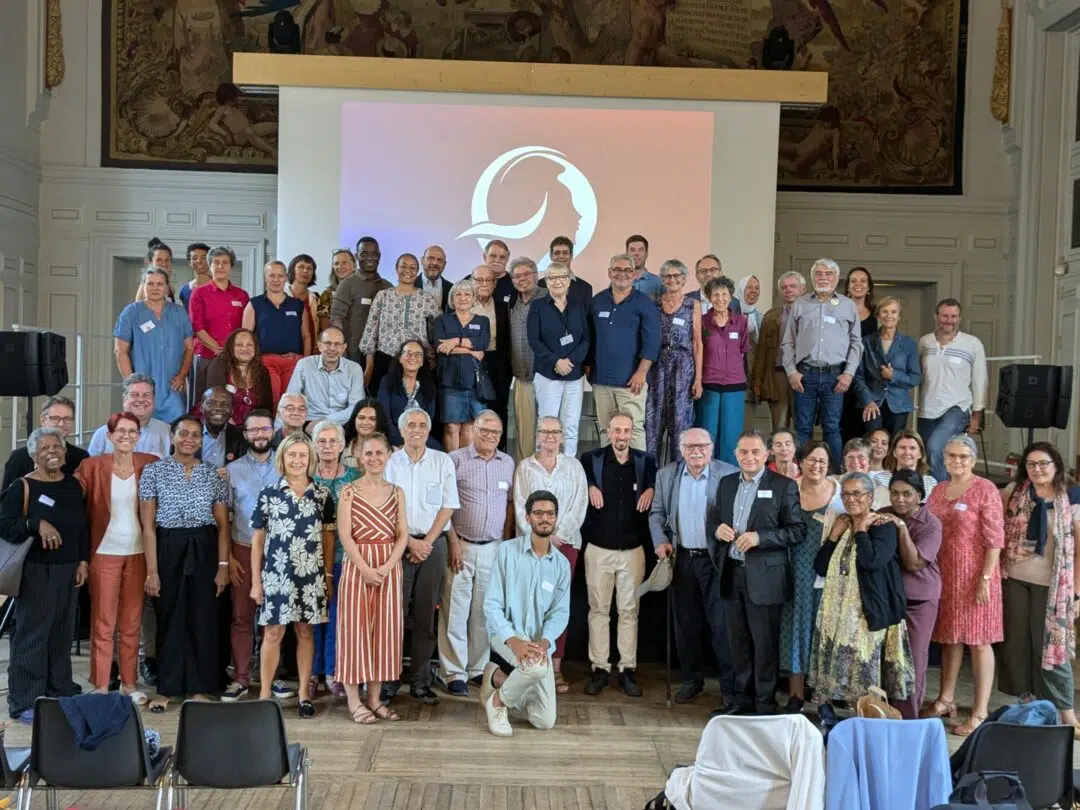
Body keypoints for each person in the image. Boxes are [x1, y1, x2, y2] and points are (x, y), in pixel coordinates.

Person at [706, 429, 805, 716]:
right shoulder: (726, 484)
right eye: (743, 452)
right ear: (735, 454)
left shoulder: (784, 486)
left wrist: (761, 538)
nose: (749, 457)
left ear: (766, 454)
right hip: (732, 574)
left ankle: (764, 704)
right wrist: (717, 529)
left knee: (764, 645)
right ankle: (741, 701)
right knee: (737, 644)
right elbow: (714, 520)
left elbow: (797, 530)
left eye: (755, 452)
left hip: (766, 579)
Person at [138, 415, 230, 711]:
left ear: (201, 440)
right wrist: (152, 571)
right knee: (170, 616)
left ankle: (200, 687)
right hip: (168, 546)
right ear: (172, 437)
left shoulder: (212, 474)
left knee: (203, 617)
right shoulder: (154, 471)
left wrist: (223, 566)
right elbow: (148, 527)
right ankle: (167, 688)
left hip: (204, 546)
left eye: (195, 435)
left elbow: (223, 525)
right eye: (183, 434)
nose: (189, 439)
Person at [0, 427, 88, 723]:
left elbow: (82, 527)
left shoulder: (73, 485)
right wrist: (35, 523)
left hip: (68, 569)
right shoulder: (22, 486)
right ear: (34, 455)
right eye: (45, 448)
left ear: (65, 452)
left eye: (57, 447)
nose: (52, 452)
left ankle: (59, 690)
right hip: (36, 570)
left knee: (61, 634)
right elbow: (5, 525)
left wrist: (83, 561)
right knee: (32, 634)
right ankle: (25, 700)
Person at [809, 472, 913, 708]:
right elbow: (821, 567)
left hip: (866, 614)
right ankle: (828, 716)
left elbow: (872, 561)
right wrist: (833, 536)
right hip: (836, 614)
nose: (851, 499)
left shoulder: (882, 526)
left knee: (864, 675)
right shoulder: (843, 523)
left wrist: (862, 531)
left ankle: (865, 718)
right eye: (846, 494)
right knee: (832, 675)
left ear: (871, 497)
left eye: (857, 493)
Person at [923, 434, 1004, 736]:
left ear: (973, 460)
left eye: (964, 456)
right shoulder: (939, 489)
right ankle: (946, 699)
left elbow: (995, 540)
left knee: (979, 641)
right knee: (950, 638)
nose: (957, 461)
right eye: (952, 456)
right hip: (945, 576)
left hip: (976, 577)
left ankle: (980, 712)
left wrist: (985, 579)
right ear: (944, 458)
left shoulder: (985, 489)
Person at [649, 428, 737, 704]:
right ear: (681, 449)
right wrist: (660, 541)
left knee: (722, 626)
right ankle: (691, 680)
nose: (696, 451)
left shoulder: (729, 474)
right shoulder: (666, 475)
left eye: (702, 446)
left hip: (717, 560)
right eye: (690, 446)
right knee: (686, 624)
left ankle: (730, 687)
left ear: (712, 447)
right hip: (682, 558)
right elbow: (657, 513)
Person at [250, 433, 335, 718]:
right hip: (277, 574)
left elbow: (328, 538)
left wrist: (328, 576)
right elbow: (258, 541)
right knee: (273, 632)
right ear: (282, 458)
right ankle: (264, 696)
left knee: (305, 631)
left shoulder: (322, 495)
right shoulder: (269, 493)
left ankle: (303, 695)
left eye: (302, 455)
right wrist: (256, 582)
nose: (297, 460)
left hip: (311, 575)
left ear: (310, 459)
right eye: (292, 455)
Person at [998, 442, 1080, 732]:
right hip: (1015, 581)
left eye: (1044, 463)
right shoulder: (1013, 493)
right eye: (1031, 464)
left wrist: (1077, 593)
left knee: (1052, 647)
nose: (1037, 469)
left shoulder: (1071, 499)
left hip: (1054, 588)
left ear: (1056, 466)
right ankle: (1030, 705)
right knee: (1018, 646)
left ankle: (1066, 712)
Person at [76, 412, 156, 701]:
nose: (126, 436)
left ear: (139, 436)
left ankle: (129, 683)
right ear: (109, 436)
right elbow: (71, 501)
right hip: (104, 552)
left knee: (132, 623)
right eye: (120, 431)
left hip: (138, 552)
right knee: (103, 622)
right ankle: (100, 685)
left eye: (132, 431)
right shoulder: (91, 466)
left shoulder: (150, 463)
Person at [480, 490, 571, 737]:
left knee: (544, 720)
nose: (545, 519)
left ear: (556, 518)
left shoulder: (561, 565)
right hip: (505, 635)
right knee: (537, 668)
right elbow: (492, 604)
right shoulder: (507, 552)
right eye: (538, 513)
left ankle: (497, 679)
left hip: (539, 642)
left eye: (550, 514)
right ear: (527, 517)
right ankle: (497, 704)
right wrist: (515, 642)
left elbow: (560, 613)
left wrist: (544, 643)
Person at [385, 409, 460, 704]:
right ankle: (388, 681)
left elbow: (448, 506)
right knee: (394, 616)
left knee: (426, 615)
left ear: (428, 431)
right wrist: (409, 543)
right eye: (410, 425)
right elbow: (386, 507)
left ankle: (419, 680)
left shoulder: (442, 462)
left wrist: (426, 543)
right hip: (397, 546)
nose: (416, 429)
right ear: (402, 431)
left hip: (433, 545)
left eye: (421, 425)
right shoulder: (390, 463)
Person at [580, 412, 657, 697]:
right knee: (598, 610)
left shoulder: (646, 461)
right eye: (617, 430)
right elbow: (579, 486)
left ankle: (627, 669)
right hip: (598, 548)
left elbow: (656, 490)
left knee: (629, 612)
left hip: (633, 550)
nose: (622, 436)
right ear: (608, 431)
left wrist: (651, 488)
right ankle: (599, 668)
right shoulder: (590, 459)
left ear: (632, 432)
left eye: (626, 430)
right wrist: (589, 486)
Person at [439, 411, 515, 696]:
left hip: (493, 547)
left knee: (484, 612)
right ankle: (453, 672)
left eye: (495, 432)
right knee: (455, 611)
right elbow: (444, 504)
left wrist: (505, 541)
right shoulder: (455, 460)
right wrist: (453, 541)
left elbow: (509, 505)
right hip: (461, 545)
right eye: (484, 431)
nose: (490, 436)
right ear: (473, 431)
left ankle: (477, 668)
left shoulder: (507, 463)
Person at [336, 432, 408, 724]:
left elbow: (402, 535)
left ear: (389, 455)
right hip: (358, 567)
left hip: (388, 567)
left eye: (379, 453)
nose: (374, 458)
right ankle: (354, 700)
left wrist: (388, 566)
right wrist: (365, 568)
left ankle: (375, 699)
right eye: (369, 453)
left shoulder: (397, 492)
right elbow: (345, 534)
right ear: (359, 456)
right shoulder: (348, 491)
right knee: (355, 631)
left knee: (384, 632)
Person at [512, 417, 588, 693]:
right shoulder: (525, 467)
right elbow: (520, 507)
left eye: (555, 431)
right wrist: (541, 535)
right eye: (545, 431)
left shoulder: (574, 467)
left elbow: (579, 505)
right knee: (529, 605)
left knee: (558, 607)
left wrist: (557, 536)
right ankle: (530, 666)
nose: (550, 436)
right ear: (537, 435)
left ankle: (555, 668)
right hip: (532, 546)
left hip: (566, 546)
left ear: (563, 436)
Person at [220, 409, 281, 703]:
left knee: (275, 617)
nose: (259, 435)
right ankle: (241, 677)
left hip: (280, 551)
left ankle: (272, 676)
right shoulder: (231, 471)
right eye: (253, 430)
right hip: (243, 548)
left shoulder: (287, 464)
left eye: (264, 429)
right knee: (242, 615)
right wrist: (229, 557)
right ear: (245, 435)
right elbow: (225, 517)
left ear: (273, 431)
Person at [781, 258, 862, 471]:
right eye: (818, 274)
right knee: (802, 428)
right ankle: (800, 473)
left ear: (836, 278)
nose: (823, 277)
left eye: (828, 273)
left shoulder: (848, 305)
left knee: (832, 428)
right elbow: (788, 341)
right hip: (804, 375)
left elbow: (856, 343)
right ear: (812, 278)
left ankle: (833, 475)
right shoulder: (800, 304)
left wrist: (849, 374)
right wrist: (791, 372)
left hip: (835, 376)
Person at [779, 441, 839, 712]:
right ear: (801, 462)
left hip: (826, 577)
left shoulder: (838, 493)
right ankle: (796, 696)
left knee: (823, 634)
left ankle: (824, 699)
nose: (817, 465)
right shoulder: (787, 489)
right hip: (792, 574)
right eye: (811, 460)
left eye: (822, 461)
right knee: (795, 632)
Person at [878, 469, 943, 719]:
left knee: (913, 660)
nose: (900, 499)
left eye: (907, 494)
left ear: (919, 496)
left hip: (919, 598)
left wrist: (902, 528)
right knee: (886, 660)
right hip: (888, 598)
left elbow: (914, 563)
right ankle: (883, 715)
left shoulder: (931, 524)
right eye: (894, 493)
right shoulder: (883, 514)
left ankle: (907, 720)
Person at [586, 253, 661, 451]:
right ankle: (608, 468)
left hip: (631, 381)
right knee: (606, 429)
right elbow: (589, 337)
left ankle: (637, 470)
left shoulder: (644, 303)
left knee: (633, 430)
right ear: (609, 273)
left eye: (627, 270)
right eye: (617, 269)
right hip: (601, 380)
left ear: (634, 274)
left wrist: (642, 372)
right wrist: (588, 367)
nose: (622, 274)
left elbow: (652, 341)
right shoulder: (597, 301)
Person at [310, 419, 360, 699]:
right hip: (309, 559)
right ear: (314, 446)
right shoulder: (305, 477)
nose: (327, 447)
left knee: (337, 617)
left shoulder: (354, 477)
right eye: (322, 441)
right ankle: (311, 674)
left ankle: (333, 672)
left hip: (344, 557)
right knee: (311, 619)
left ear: (342, 446)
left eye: (333, 441)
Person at [918, 298, 988, 482]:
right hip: (926, 409)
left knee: (935, 447)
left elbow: (980, 380)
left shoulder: (972, 344)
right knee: (928, 455)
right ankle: (944, 490)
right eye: (944, 316)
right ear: (936, 317)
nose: (949, 320)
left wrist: (977, 413)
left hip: (957, 408)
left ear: (959, 318)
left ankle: (941, 494)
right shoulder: (925, 342)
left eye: (954, 316)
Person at [114, 266, 193, 423]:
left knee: (176, 430)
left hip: (172, 389)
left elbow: (189, 348)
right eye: (150, 283)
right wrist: (132, 383)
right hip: (142, 389)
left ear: (167, 287)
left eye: (160, 284)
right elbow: (120, 351)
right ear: (143, 286)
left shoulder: (179, 313)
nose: (155, 288)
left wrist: (182, 375)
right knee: (140, 429)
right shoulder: (131, 312)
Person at [528, 261, 590, 457]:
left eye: (562, 277)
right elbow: (534, 340)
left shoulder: (578, 307)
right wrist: (556, 361)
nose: (557, 281)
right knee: (547, 426)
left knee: (570, 426)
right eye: (552, 277)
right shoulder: (537, 306)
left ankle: (568, 467)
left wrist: (570, 362)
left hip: (574, 375)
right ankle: (543, 466)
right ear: (546, 282)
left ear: (569, 281)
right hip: (548, 374)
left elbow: (586, 339)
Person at [358, 252, 441, 395]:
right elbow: (370, 331)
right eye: (403, 266)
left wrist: (433, 354)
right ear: (396, 269)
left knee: (416, 401)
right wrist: (369, 366)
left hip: (416, 360)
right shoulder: (383, 296)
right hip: (386, 358)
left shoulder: (426, 298)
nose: (407, 271)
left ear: (417, 271)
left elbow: (441, 325)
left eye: (412, 268)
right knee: (383, 402)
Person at [646, 259, 702, 466]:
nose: (672, 279)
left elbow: (697, 342)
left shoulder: (692, 305)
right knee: (653, 422)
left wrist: (698, 379)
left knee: (680, 422)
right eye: (668, 276)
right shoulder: (654, 304)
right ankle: (651, 476)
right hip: (657, 366)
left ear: (684, 279)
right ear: (662, 279)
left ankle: (678, 474)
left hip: (683, 366)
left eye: (677, 275)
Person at [242, 259, 312, 409]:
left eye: (280, 276)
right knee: (272, 402)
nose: (276, 279)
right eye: (271, 275)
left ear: (286, 278)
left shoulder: (297, 305)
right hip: (266, 361)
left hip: (294, 362)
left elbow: (306, 335)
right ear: (264, 278)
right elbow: (245, 337)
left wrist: (305, 362)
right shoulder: (254, 304)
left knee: (291, 404)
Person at [188, 246, 250, 412]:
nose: (221, 266)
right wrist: (219, 350)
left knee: (233, 402)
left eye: (225, 262)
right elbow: (197, 327)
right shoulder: (199, 293)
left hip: (235, 359)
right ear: (210, 265)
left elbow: (245, 329)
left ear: (231, 266)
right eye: (216, 262)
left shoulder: (242, 295)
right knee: (206, 403)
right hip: (207, 357)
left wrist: (233, 352)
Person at [697, 277, 751, 465]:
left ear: (731, 296)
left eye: (724, 294)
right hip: (709, 383)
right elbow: (697, 350)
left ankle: (730, 473)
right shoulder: (702, 321)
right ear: (709, 297)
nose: (720, 299)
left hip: (735, 385)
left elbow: (743, 351)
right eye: (716, 295)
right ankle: (706, 472)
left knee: (731, 435)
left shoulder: (740, 321)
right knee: (708, 434)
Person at [434, 278, 489, 451]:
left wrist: (455, 341)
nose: (463, 298)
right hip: (450, 381)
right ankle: (451, 463)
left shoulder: (482, 321)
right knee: (452, 427)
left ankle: (464, 464)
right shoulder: (442, 320)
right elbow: (441, 347)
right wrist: (471, 351)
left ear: (473, 298)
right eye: (458, 294)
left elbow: (482, 343)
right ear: (452, 299)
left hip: (474, 383)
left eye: (467, 294)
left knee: (470, 426)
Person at [853, 296, 920, 435]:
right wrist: (868, 400)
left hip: (899, 405)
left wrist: (893, 376)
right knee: (873, 443)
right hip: (872, 403)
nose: (889, 316)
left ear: (899, 316)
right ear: (878, 315)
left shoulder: (909, 344)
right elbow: (858, 376)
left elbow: (915, 378)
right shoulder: (866, 342)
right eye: (885, 311)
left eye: (894, 312)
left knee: (895, 444)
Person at [750, 271, 805, 430]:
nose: (788, 290)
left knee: (803, 426)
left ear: (802, 289)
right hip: (777, 377)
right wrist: (757, 381)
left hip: (804, 375)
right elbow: (761, 352)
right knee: (779, 427)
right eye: (784, 287)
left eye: (793, 286)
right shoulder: (771, 316)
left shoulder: (812, 314)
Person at [507, 257, 547, 462]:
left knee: (549, 429)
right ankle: (525, 472)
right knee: (524, 431)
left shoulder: (548, 297)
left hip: (548, 377)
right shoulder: (512, 302)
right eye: (517, 276)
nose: (522, 279)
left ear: (536, 275)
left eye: (526, 274)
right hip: (522, 377)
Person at [2, 395, 88, 491]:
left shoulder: (81, 457)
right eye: (55, 418)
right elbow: (6, 497)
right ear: (43, 420)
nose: (61, 424)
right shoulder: (19, 457)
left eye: (67, 419)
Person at [285, 327, 366, 425]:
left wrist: (325, 420)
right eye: (327, 343)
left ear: (344, 347)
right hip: (310, 422)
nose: (332, 348)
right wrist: (278, 430)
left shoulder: (354, 369)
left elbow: (356, 407)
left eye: (337, 344)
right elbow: (289, 400)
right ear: (319, 345)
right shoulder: (304, 365)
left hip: (342, 423)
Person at [330, 236, 392, 365]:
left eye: (373, 254)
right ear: (357, 256)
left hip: (382, 353)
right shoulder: (347, 284)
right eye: (364, 254)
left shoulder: (388, 287)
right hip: (353, 353)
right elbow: (336, 319)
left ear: (379, 256)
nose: (369, 258)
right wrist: (340, 350)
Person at [470, 264, 512, 451]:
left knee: (498, 409)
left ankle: (499, 452)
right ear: (471, 281)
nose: (484, 284)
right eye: (479, 280)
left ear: (495, 284)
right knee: (472, 409)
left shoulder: (503, 307)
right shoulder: (462, 303)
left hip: (497, 363)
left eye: (489, 280)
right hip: (469, 362)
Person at [88, 374, 171, 459]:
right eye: (134, 395)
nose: (141, 399)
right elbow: (90, 466)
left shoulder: (167, 431)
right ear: (124, 400)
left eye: (146, 395)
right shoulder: (103, 434)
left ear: (154, 399)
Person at [202, 328, 273, 425]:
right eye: (239, 345)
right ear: (231, 347)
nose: (245, 348)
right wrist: (231, 426)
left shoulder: (262, 370)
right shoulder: (219, 364)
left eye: (249, 345)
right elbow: (214, 403)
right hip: (223, 421)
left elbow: (267, 407)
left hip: (253, 426)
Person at [840, 266, 878, 443]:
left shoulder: (877, 316)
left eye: (863, 281)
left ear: (869, 287)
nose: (858, 284)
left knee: (868, 430)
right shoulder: (838, 312)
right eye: (853, 281)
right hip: (842, 377)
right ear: (847, 286)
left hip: (868, 380)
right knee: (843, 427)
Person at [377, 340, 438, 447]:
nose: (412, 357)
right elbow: (384, 417)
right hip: (393, 439)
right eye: (408, 353)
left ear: (422, 361)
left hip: (421, 438)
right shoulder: (387, 381)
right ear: (400, 358)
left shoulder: (429, 386)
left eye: (418, 354)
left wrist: (417, 440)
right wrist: (401, 442)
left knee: (441, 453)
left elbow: (429, 419)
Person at [873, 429, 938, 499]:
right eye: (902, 448)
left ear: (920, 454)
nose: (907, 452)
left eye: (912, 448)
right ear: (894, 452)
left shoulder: (930, 482)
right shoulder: (879, 479)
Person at [537, 236, 593, 306]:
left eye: (565, 253)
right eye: (557, 253)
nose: (561, 256)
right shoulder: (539, 285)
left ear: (571, 256)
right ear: (551, 256)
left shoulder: (585, 288)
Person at [837, 438, 890, 509]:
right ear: (844, 461)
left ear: (870, 462)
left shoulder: (881, 491)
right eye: (850, 457)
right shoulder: (833, 484)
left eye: (861, 457)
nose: (855, 462)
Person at [342, 399, 392, 468]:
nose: (365, 422)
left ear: (379, 422)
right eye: (361, 418)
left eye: (372, 419)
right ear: (354, 420)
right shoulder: (341, 450)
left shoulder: (392, 453)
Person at [286, 253, 320, 354]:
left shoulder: (317, 298)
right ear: (292, 270)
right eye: (301, 267)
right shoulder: (281, 297)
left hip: (312, 353)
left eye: (309, 268)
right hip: (287, 354)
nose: (305, 271)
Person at [318, 248, 357, 334]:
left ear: (354, 265)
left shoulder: (363, 290)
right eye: (336, 263)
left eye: (344, 262)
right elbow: (325, 331)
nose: (340, 267)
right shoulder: (327, 295)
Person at [134, 238, 177, 303]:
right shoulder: (144, 288)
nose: (164, 264)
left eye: (167, 260)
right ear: (150, 262)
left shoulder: (170, 287)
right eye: (159, 260)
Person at [626, 234, 663, 300]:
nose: (636, 253)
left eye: (640, 249)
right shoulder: (618, 281)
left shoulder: (658, 283)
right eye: (632, 250)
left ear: (646, 254)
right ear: (627, 254)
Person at [178, 242, 211, 312]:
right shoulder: (185, 290)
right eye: (195, 258)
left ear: (210, 261)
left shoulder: (219, 287)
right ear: (189, 263)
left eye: (204, 257)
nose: (199, 261)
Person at [419, 245, 452, 312]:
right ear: (422, 260)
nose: (435, 263)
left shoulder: (452, 289)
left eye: (439, 260)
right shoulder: (409, 286)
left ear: (444, 264)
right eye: (430, 258)